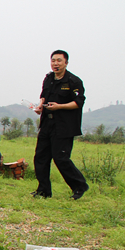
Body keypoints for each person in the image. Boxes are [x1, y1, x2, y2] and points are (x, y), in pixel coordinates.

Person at [32, 50, 89, 200]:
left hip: (64, 126)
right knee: (40, 157)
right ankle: (43, 190)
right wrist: (40, 106)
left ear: (66, 63)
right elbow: (43, 96)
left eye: (59, 61)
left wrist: (59, 107)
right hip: (47, 123)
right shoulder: (48, 78)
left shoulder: (73, 81)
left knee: (61, 158)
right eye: (53, 61)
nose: (55, 64)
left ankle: (79, 186)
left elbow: (78, 102)